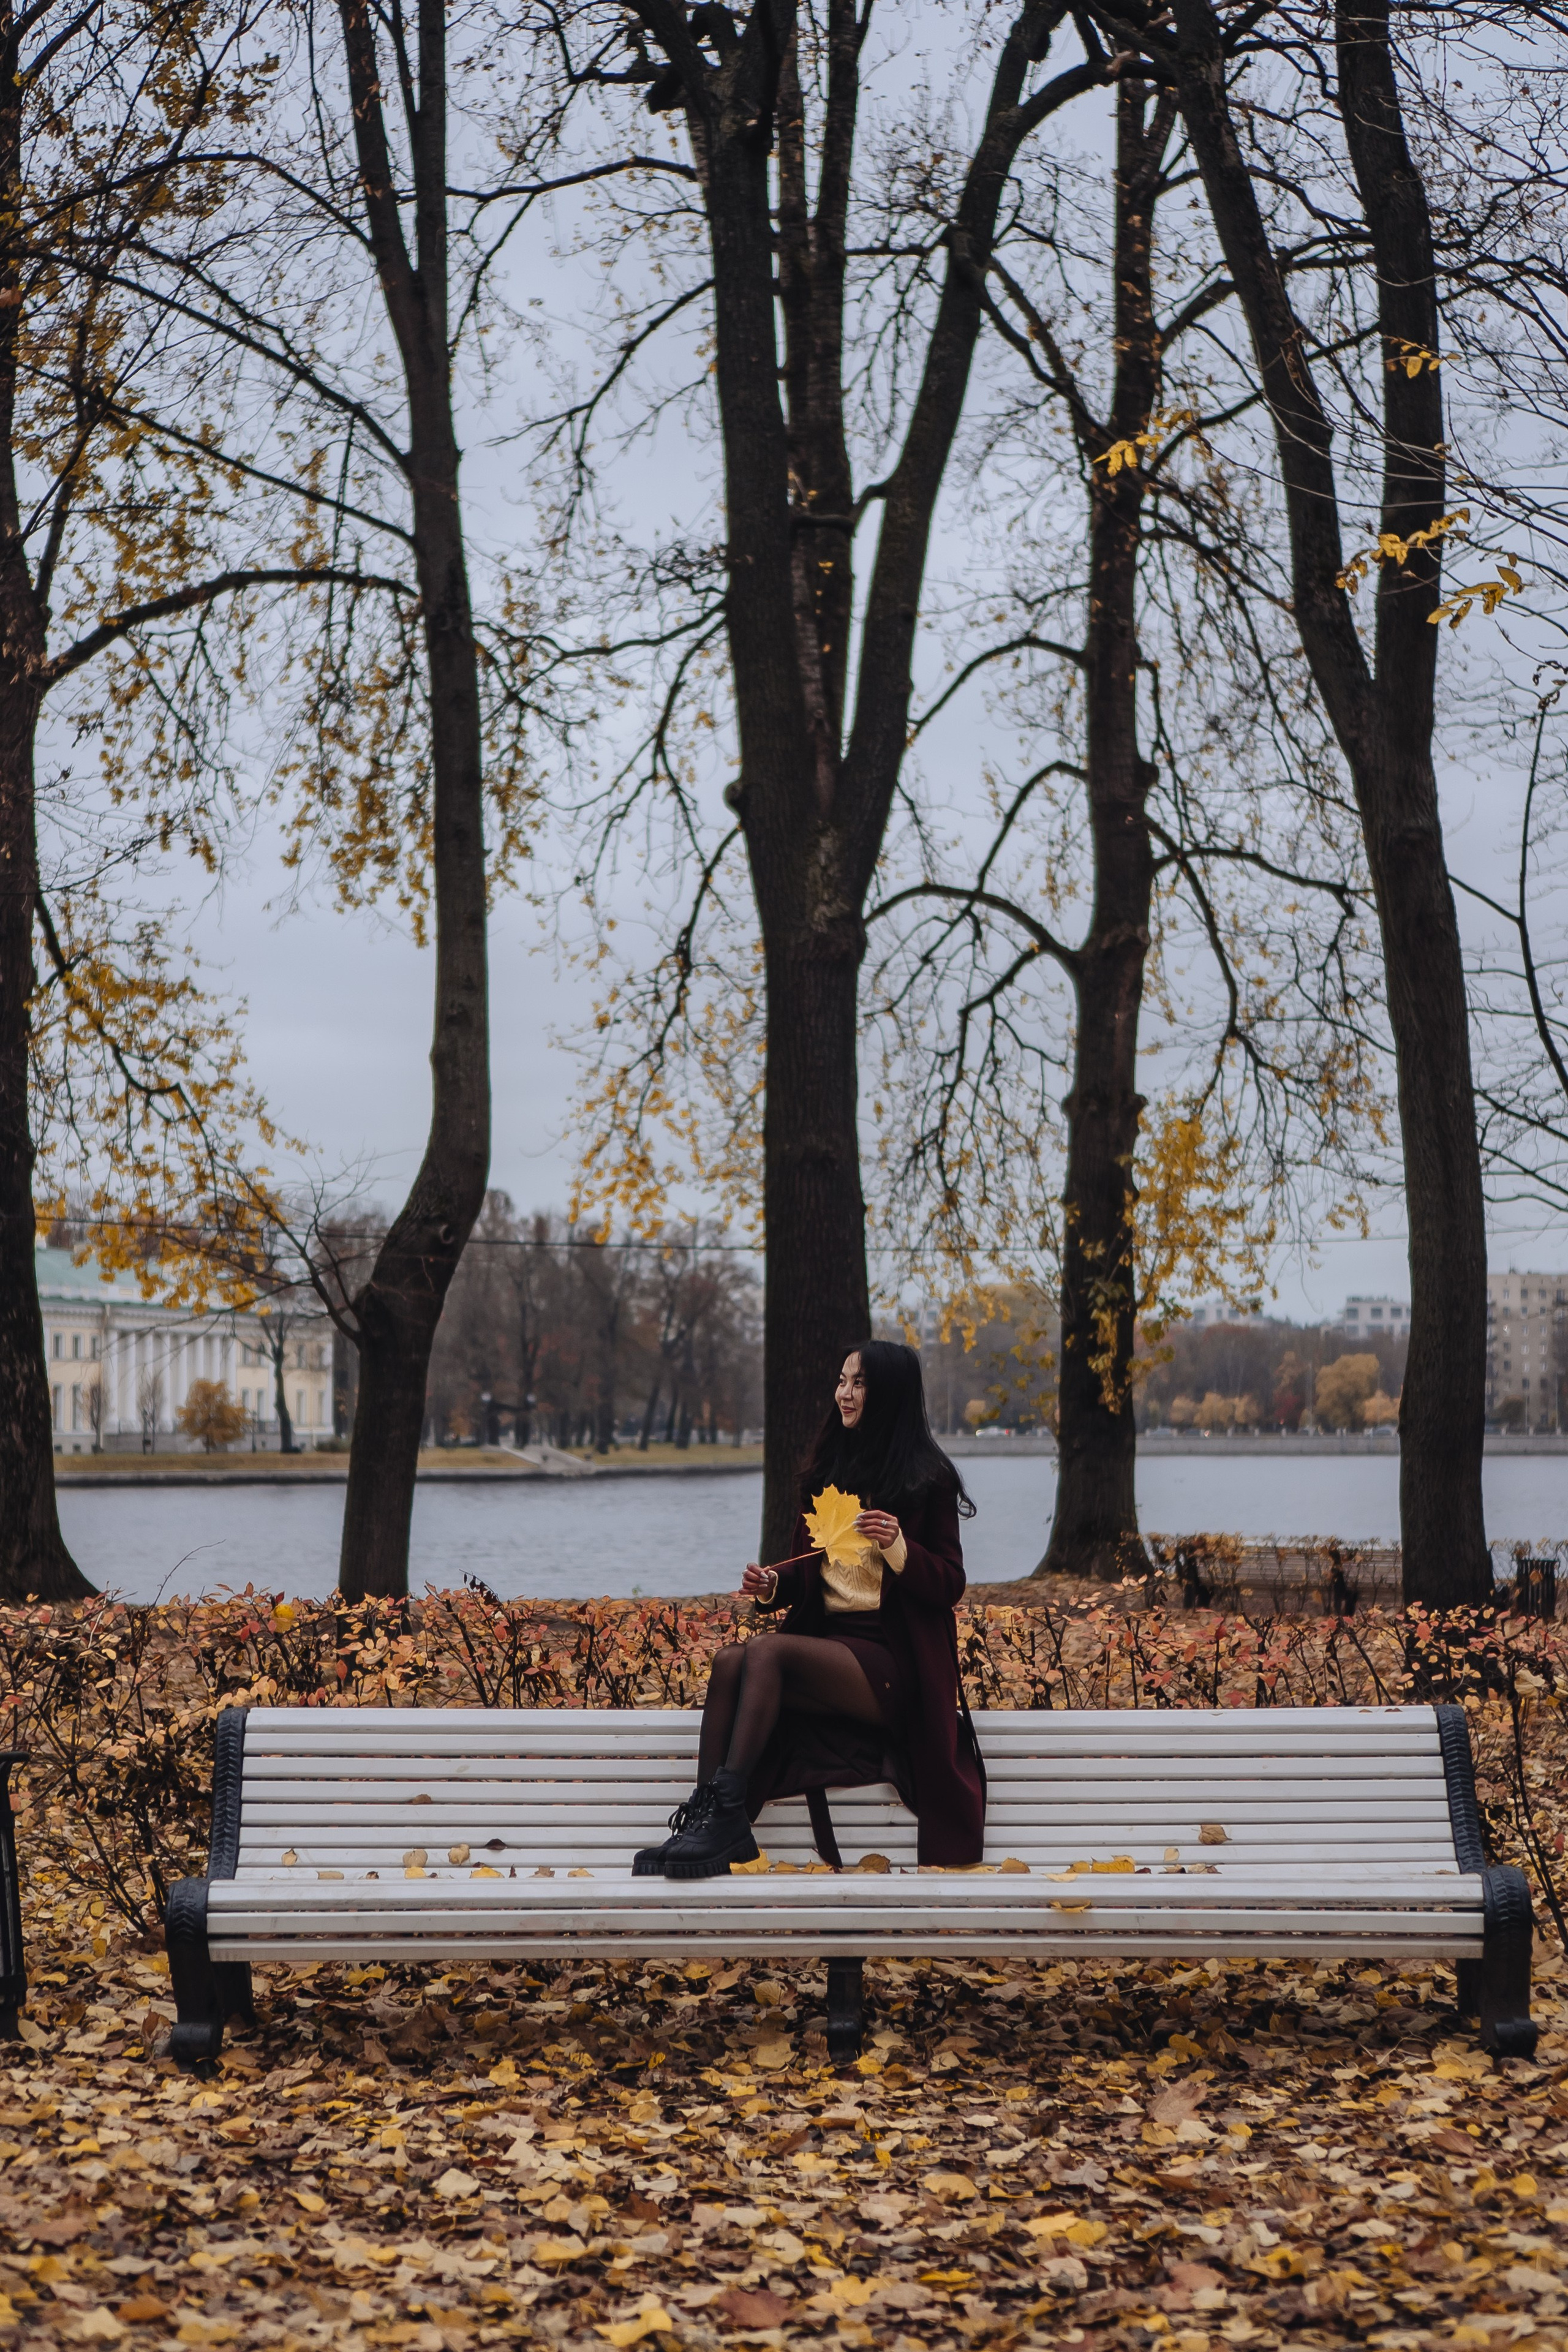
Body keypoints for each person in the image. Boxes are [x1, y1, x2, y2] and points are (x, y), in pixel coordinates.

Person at [635, 1339, 985, 1878]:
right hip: (832, 1651)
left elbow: (950, 1585)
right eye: (842, 1381)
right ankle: (707, 1821)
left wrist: (899, 1547)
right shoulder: (830, 1470)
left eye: (859, 1383)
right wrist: (774, 1583)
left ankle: (727, 1820)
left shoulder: (928, 1478)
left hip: (895, 1666)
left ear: (889, 1393)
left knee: (766, 1652)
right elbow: (809, 1569)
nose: (844, 1393)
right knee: (731, 1662)